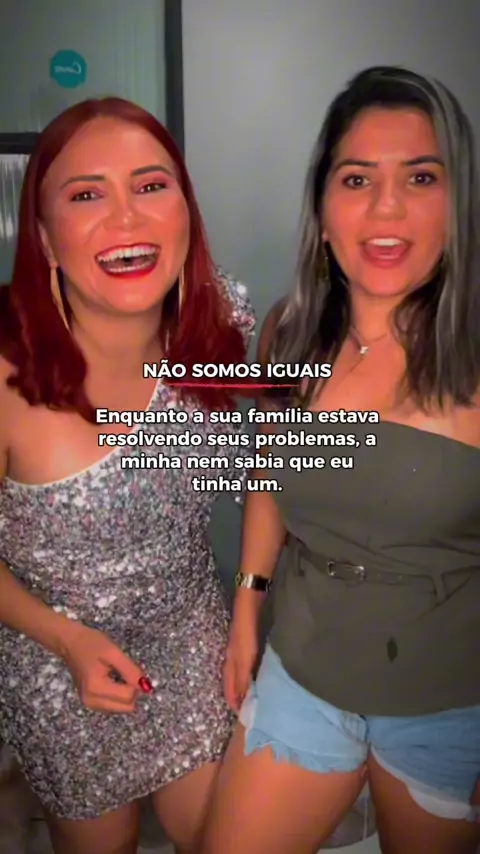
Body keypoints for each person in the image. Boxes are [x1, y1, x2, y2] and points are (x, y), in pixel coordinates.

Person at [199, 66, 480, 854]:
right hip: (304, 670)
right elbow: (268, 473)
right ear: (323, 211)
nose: (386, 208)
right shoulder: (289, 332)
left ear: (458, 204)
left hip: (448, 701)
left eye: (421, 177)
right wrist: (247, 611)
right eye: (357, 179)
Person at [0, 96, 255, 854]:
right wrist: (66, 641)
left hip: (192, 632)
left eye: (150, 185)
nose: (127, 218)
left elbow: (272, 466)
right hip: (54, 657)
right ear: (44, 238)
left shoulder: (222, 323)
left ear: (185, 212)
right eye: (87, 195)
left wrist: (249, 608)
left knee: (219, 837)